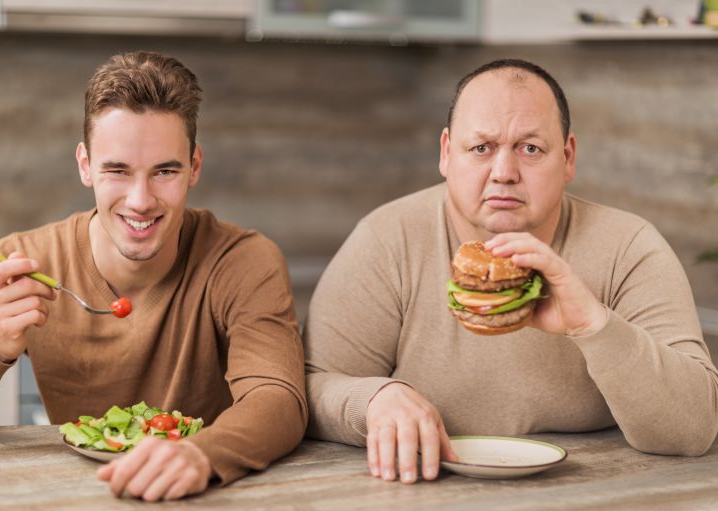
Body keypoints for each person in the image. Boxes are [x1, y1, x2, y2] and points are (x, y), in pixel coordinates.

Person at [303, 58, 718, 485]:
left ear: (568, 157)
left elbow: (692, 429)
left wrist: (594, 325)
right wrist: (374, 399)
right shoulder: (387, 239)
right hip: (423, 485)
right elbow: (305, 388)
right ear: (447, 153)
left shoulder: (628, 247)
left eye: (531, 148)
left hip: (596, 489)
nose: (504, 173)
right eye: (481, 147)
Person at [0, 51, 307, 501]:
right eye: (117, 170)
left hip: (201, 492)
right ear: (85, 165)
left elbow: (278, 399)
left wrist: (203, 454)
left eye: (164, 171)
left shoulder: (243, 260)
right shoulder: (22, 264)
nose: (141, 200)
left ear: (194, 166)